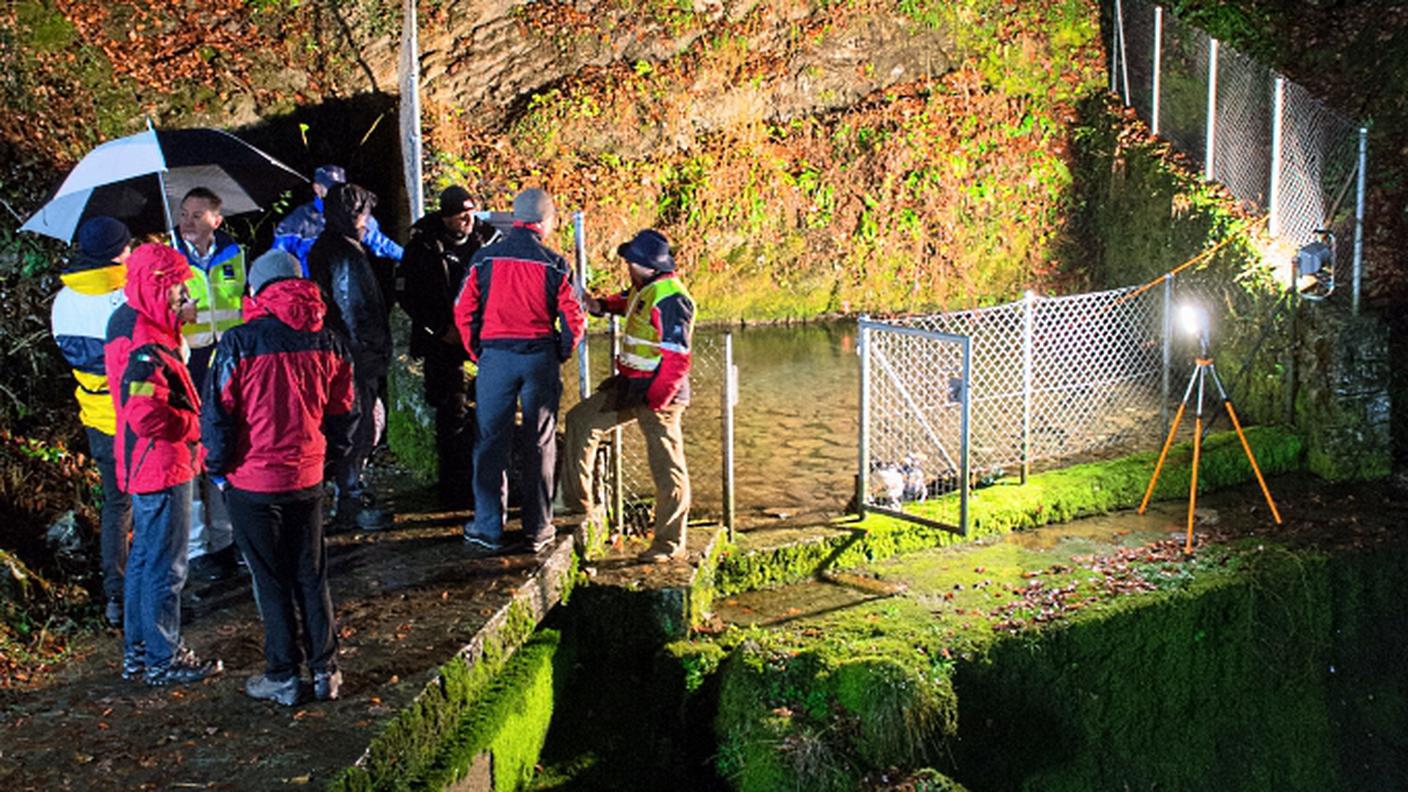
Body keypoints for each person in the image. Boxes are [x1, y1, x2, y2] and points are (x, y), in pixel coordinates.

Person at [202, 250, 357, 706]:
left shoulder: (238, 342)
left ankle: (283, 674)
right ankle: (326, 670)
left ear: (257, 290)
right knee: (311, 573)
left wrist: (218, 469)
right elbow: (346, 411)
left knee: (270, 579)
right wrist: (331, 462)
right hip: (306, 475)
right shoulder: (330, 340)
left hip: (253, 481)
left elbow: (219, 416)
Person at [104, 242, 222, 685]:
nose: (188, 301)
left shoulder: (133, 321)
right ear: (161, 290)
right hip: (161, 462)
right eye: (181, 292)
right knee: (165, 566)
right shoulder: (146, 343)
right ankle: (163, 657)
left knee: (143, 560)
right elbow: (146, 413)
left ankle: (139, 652)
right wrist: (196, 424)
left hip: (145, 461)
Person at [453, 188, 585, 557]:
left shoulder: (484, 259)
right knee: (540, 442)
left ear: (516, 218)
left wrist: (477, 351)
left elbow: (463, 310)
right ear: (546, 221)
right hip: (539, 358)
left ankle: (488, 527)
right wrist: (560, 351)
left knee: (490, 441)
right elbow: (574, 319)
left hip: (495, 357)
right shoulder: (555, 264)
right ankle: (539, 528)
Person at [562, 229, 695, 563]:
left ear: (643, 265)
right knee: (581, 421)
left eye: (630, 261)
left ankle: (668, 543)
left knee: (668, 469)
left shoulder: (671, 298)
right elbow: (625, 304)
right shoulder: (645, 288)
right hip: (631, 385)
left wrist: (658, 400)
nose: (626, 266)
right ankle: (576, 507)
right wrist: (598, 305)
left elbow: (678, 359)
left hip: (660, 395)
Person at [50, 216, 134, 625]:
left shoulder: (62, 300)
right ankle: (148, 592)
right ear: (118, 252)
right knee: (153, 505)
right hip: (135, 418)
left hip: (96, 417)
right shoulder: (125, 298)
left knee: (116, 505)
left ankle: (115, 595)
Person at [398, 185, 496, 508]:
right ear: (445, 218)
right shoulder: (423, 246)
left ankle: (486, 482)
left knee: (490, 407)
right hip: (442, 338)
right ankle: (454, 488)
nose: (467, 220)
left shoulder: (488, 241)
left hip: (482, 337)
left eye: (471, 213)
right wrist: (440, 329)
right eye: (460, 215)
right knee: (449, 411)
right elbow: (408, 296)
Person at [307, 183, 392, 531]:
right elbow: (354, 307)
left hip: (343, 353)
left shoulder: (329, 248)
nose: (366, 222)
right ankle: (349, 496)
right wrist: (372, 354)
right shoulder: (343, 253)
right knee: (358, 427)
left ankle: (348, 491)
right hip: (354, 356)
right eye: (364, 215)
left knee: (355, 425)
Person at [173, 187, 240, 582]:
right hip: (189, 363)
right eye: (184, 213)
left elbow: (242, 305)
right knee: (193, 456)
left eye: (198, 214)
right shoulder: (170, 260)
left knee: (224, 449)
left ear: (217, 218)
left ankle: (225, 538)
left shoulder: (237, 254)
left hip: (229, 363)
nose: (188, 220)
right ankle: (198, 549)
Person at [272, 164, 404, 275]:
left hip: (348, 288)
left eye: (339, 188)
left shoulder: (354, 215)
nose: (335, 193)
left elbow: (381, 243)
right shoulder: (297, 220)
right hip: (312, 292)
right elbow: (277, 259)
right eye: (330, 188)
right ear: (316, 188)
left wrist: (410, 258)